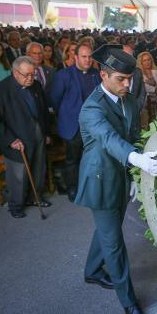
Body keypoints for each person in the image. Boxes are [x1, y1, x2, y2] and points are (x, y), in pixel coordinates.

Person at [74, 44, 157, 314]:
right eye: (121, 79)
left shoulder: (126, 99)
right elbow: (108, 139)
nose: (128, 84)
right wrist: (137, 159)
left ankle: (92, 270)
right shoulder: (91, 108)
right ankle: (128, 302)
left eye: (129, 79)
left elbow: (133, 135)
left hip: (122, 174)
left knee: (108, 228)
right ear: (103, 75)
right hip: (100, 181)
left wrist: (138, 167)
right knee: (115, 244)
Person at [0, 56, 51, 218]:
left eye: (33, 74)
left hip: (37, 134)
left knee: (38, 168)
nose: (30, 78)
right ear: (15, 72)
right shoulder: (0, 90)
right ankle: (16, 205)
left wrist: (46, 132)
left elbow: (43, 111)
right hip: (17, 139)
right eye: (26, 75)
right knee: (18, 174)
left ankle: (35, 197)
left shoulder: (36, 85)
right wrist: (11, 140)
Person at [49, 43, 100, 202]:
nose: (88, 60)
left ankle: (89, 187)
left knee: (92, 157)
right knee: (72, 159)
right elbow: (54, 100)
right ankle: (73, 188)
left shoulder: (96, 74)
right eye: (84, 57)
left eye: (90, 56)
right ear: (75, 57)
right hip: (72, 125)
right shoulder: (63, 75)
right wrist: (67, 115)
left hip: (92, 125)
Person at [135, 51, 157, 127]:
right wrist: (154, 87)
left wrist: (150, 84)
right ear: (141, 62)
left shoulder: (156, 71)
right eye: (144, 60)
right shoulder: (138, 73)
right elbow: (144, 88)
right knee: (146, 123)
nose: (147, 62)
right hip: (145, 102)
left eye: (148, 59)